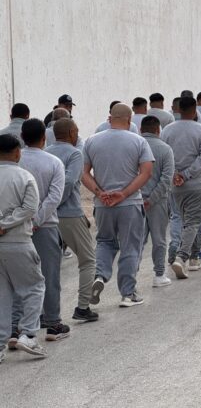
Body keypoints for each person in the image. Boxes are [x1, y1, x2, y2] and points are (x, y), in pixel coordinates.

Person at [82, 103, 154, 307]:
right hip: (129, 203)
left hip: (103, 204)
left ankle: (100, 275)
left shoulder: (91, 141)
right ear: (129, 120)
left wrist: (100, 192)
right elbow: (146, 173)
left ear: (109, 118)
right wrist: (123, 193)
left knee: (105, 241)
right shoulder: (138, 141)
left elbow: (83, 173)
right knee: (130, 246)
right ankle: (128, 293)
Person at [17, 119, 69, 341]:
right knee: (49, 275)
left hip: (15, 228)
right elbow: (54, 197)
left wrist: (22, 221)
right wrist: (36, 220)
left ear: (22, 137)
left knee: (17, 277)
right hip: (45, 226)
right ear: (44, 137)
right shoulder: (54, 162)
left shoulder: (14, 161)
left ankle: (17, 326)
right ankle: (53, 323)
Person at [45, 119, 99, 322]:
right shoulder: (75, 154)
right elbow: (69, 181)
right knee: (88, 260)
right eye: (76, 130)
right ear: (70, 133)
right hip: (69, 214)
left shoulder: (46, 152)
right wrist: (55, 202)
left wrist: (47, 206)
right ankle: (83, 307)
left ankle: (45, 313)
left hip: (47, 216)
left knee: (49, 265)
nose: (77, 133)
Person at [0, 134, 47, 359]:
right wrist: (5, 224)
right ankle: (27, 334)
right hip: (18, 241)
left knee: (2, 294)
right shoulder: (24, 176)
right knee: (34, 287)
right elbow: (30, 209)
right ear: (18, 152)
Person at [161, 97, 201, 279]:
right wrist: (187, 174)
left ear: (178, 109)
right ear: (194, 109)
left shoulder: (167, 130)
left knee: (182, 219)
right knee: (194, 221)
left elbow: (165, 156)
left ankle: (194, 257)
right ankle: (183, 256)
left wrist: (175, 174)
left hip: (175, 185)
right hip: (196, 184)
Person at [139, 116, 175, 287]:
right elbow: (166, 179)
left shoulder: (135, 146)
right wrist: (152, 199)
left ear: (141, 129)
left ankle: (131, 276)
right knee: (159, 239)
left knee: (137, 241)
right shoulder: (165, 149)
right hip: (158, 201)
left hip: (135, 200)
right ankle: (159, 275)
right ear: (158, 130)